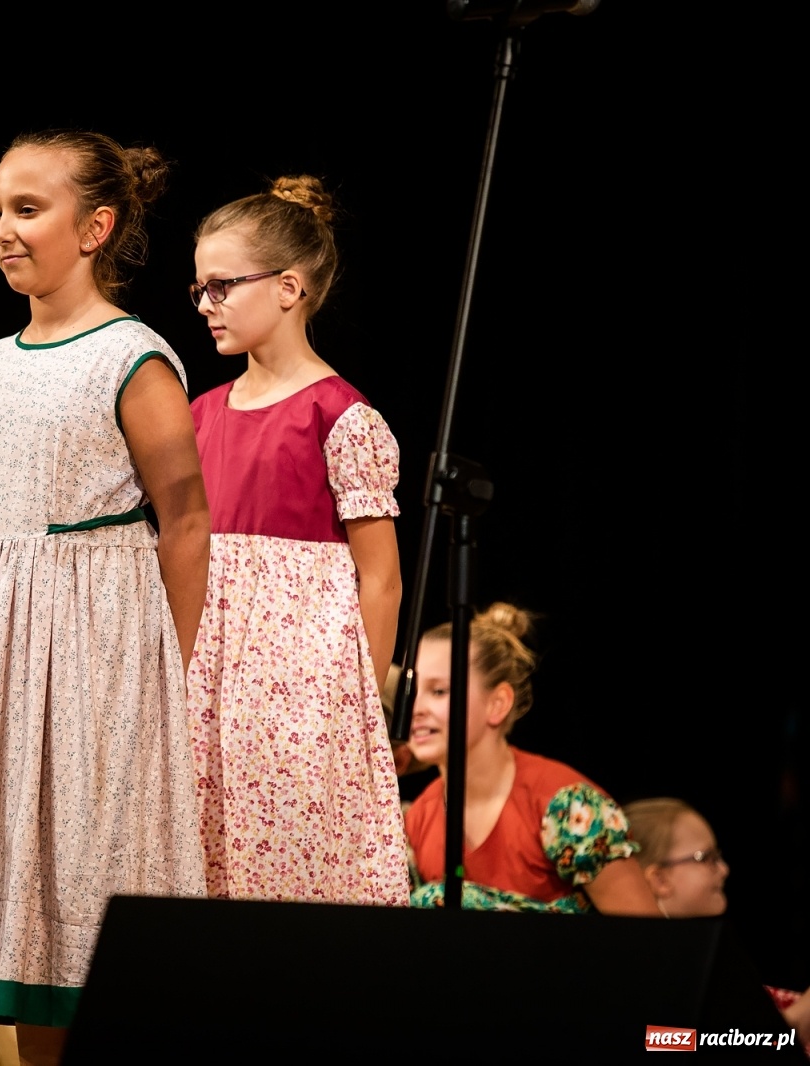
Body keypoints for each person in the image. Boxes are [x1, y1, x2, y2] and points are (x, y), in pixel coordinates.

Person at [0, 130, 210, 1065]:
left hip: (100, 643)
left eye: (28, 209)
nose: (3, 229)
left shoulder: (132, 356)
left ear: (96, 226)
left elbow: (185, 523)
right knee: (25, 910)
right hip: (1, 642)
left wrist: (167, 673)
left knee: (90, 884)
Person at [186, 176, 408, 904]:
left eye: (222, 286)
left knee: (285, 885)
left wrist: (358, 705)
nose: (206, 305)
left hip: (303, 702)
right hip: (205, 686)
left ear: (288, 288)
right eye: (199, 290)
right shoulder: (199, 414)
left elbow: (381, 579)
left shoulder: (339, 417)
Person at [402, 603, 657, 914]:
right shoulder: (417, 820)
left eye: (439, 691)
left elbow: (645, 941)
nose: (416, 709)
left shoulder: (568, 806)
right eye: (412, 690)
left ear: (498, 703)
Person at [624, 799, 809, 1039]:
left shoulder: (688, 956)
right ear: (660, 879)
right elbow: (658, 1043)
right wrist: (792, 1026)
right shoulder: (641, 967)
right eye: (706, 858)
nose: (723, 869)